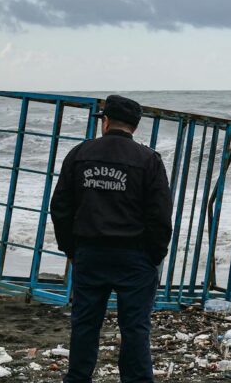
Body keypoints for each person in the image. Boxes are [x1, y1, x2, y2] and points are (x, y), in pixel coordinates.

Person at [50, 95, 173, 383]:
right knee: (135, 328)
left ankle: (78, 379)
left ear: (105, 122)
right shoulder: (149, 160)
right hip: (134, 257)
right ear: (135, 127)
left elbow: (60, 208)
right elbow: (161, 215)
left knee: (84, 324)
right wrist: (154, 255)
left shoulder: (80, 154)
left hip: (90, 253)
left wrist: (71, 249)